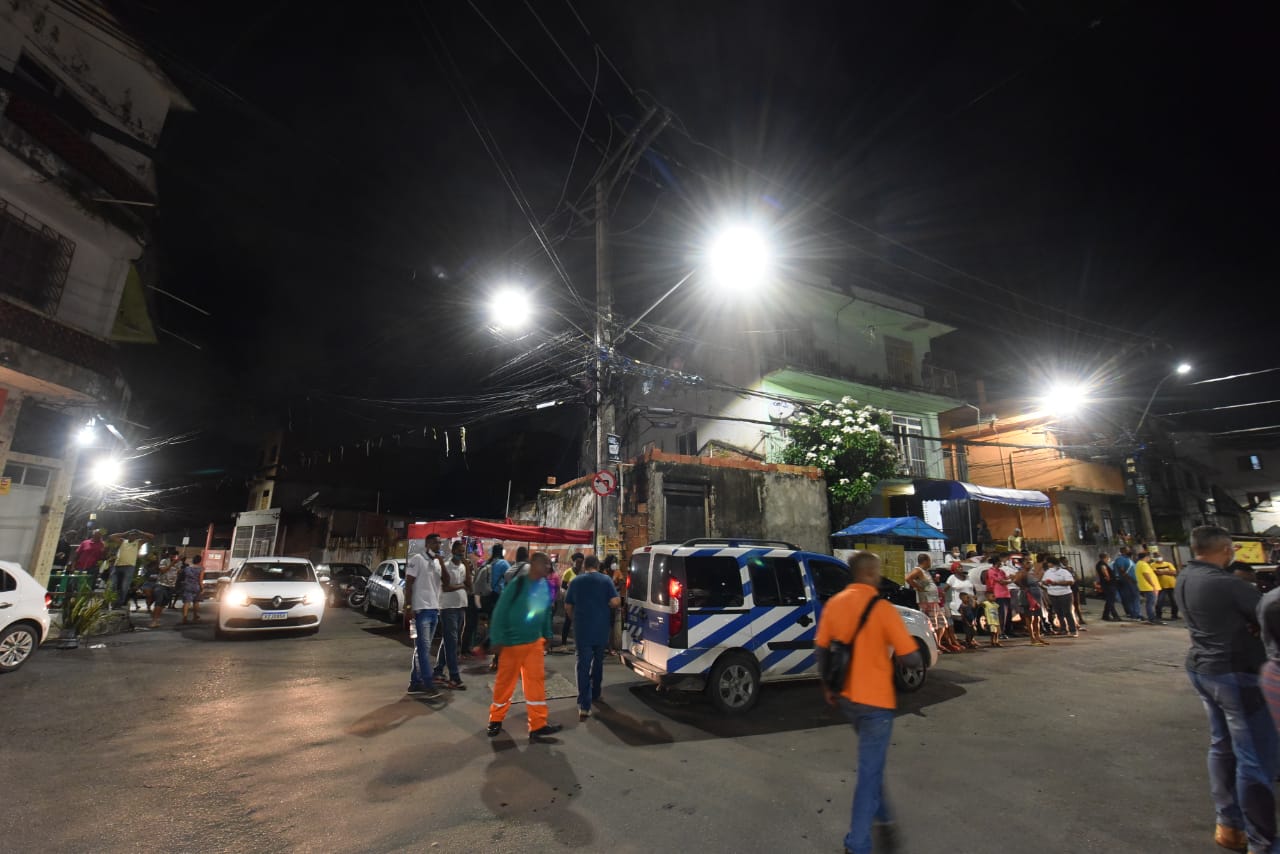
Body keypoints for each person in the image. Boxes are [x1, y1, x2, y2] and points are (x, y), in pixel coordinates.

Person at [1176, 525, 1276, 854]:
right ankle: (1262, 841)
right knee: (1253, 758)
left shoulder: (1186, 576)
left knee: (1222, 746)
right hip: (1233, 673)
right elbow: (1269, 614)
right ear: (1226, 549)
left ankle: (1229, 825)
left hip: (1203, 667)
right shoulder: (1227, 584)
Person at [816, 550, 923, 854]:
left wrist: (828, 686)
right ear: (870, 574)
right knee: (869, 772)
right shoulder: (883, 609)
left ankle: (885, 819)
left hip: (847, 698)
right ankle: (858, 843)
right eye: (877, 572)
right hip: (877, 704)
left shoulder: (834, 604)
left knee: (872, 765)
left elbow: (822, 651)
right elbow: (911, 657)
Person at [487, 552, 561, 743]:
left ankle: (537, 725)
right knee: (505, 683)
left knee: (536, 684)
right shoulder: (517, 585)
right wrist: (496, 638)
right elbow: (500, 612)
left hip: (534, 643)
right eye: (545, 564)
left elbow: (544, 612)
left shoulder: (544, 585)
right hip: (512, 644)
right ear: (534, 565)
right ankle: (495, 719)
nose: (548, 567)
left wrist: (547, 634)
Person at [564, 555, 620, 720]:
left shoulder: (576, 582)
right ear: (597, 565)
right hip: (601, 628)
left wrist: (575, 619)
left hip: (582, 629)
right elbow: (616, 601)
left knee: (583, 664)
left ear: (584, 566)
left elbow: (568, 606)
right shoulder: (606, 580)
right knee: (598, 662)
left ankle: (584, 705)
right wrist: (607, 604)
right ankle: (596, 694)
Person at [404, 534, 446, 700]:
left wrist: (442, 563)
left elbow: (446, 581)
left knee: (422, 648)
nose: (439, 545)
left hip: (434, 609)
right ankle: (428, 683)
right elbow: (408, 583)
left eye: (440, 542)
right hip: (420, 610)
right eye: (436, 542)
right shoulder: (417, 559)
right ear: (428, 543)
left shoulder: (437, 562)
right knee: (423, 648)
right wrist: (408, 606)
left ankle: (415, 683)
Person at [434, 539, 469, 690]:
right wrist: (460, 585)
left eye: (463, 551)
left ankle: (438, 670)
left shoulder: (462, 566)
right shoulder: (446, 566)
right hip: (448, 607)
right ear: (453, 551)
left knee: (449, 640)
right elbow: (445, 587)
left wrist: (467, 568)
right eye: (460, 551)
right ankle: (454, 676)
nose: (462, 554)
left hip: (461, 606)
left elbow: (470, 586)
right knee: (452, 642)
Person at [906, 554, 955, 653]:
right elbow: (908, 578)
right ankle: (933, 647)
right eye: (929, 561)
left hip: (934, 601)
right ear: (925, 561)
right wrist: (918, 588)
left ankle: (938, 643)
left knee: (942, 624)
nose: (930, 563)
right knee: (932, 625)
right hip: (927, 602)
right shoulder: (918, 570)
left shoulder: (926, 572)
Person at [107, 529, 154, 610]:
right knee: (112, 585)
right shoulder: (122, 541)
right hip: (117, 566)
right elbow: (111, 536)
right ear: (128, 535)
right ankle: (111, 602)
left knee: (124, 586)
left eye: (134, 535)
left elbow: (151, 537)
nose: (132, 536)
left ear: (136, 536)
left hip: (129, 567)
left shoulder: (138, 542)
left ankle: (119, 603)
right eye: (131, 534)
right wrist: (123, 533)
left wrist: (141, 532)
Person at [1042, 557, 1078, 638]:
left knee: (1067, 612)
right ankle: (1063, 629)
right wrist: (1046, 583)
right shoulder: (1048, 572)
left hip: (1064, 594)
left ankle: (1073, 629)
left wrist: (1057, 583)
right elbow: (1043, 582)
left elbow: (1071, 581)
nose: (1048, 565)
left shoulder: (1064, 572)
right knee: (1059, 613)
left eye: (1049, 563)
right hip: (1053, 594)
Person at [944, 564, 976, 649]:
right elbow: (945, 589)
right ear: (954, 569)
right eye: (958, 567)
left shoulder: (968, 577)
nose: (960, 568)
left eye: (961, 567)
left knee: (971, 622)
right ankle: (965, 640)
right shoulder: (952, 578)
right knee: (964, 622)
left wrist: (974, 599)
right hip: (958, 603)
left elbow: (972, 588)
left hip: (970, 603)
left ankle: (971, 639)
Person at [984, 556, 1013, 639]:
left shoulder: (1001, 571)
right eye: (1000, 562)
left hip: (1006, 594)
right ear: (997, 562)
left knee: (1007, 614)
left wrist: (1010, 577)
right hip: (998, 594)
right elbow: (1001, 581)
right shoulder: (991, 571)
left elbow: (1005, 578)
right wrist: (1011, 580)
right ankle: (1000, 632)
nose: (1002, 563)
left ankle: (1005, 631)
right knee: (1001, 614)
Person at [560, 552, 584, 646]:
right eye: (578, 562)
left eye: (581, 562)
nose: (579, 564)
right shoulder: (568, 572)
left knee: (580, 622)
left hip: (581, 601)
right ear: (574, 562)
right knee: (568, 621)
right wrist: (570, 589)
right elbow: (562, 586)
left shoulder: (583, 573)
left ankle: (579, 642)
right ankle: (563, 643)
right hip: (570, 601)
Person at [151, 555, 180, 629]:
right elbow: (163, 570)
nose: (175, 558)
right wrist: (172, 563)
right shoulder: (164, 561)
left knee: (163, 604)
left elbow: (178, 572)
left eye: (176, 556)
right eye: (174, 556)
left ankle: (156, 620)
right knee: (158, 602)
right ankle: (154, 621)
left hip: (171, 586)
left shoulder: (179, 563)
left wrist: (177, 565)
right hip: (161, 584)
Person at [1113, 547, 1141, 620]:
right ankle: (1135, 613)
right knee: (1131, 598)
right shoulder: (1121, 559)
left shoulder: (1129, 559)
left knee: (1134, 597)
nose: (1130, 551)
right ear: (1123, 551)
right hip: (1127, 581)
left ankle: (1135, 613)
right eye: (1128, 550)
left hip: (1131, 581)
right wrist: (1130, 579)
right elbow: (1121, 570)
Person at [1135, 551, 1161, 624]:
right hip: (1149, 587)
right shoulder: (1143, 564)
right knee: (1151, 603)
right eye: (1148, 557)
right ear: (1146, 557)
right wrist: (1153, 585)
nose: (1149, 558)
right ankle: (1152, 618)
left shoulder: (1139, 564)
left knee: (1150, 603)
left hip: (1146, 587)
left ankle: (1152, 617)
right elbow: (1146, 575)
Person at [1152, 552, 1179, 620]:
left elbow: (1174, 572)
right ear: (1154, 558)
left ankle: (1174, 615)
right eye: (1157, 556)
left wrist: (1162, 572)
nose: (1159, 557)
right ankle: (1158, 615)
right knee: (1159, 602)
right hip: (1161, 586)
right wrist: (1168, 572)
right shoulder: (1153, 565)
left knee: (1174, 601)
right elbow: (1157, 573)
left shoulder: (1168, 563)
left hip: (1171, 585)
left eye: (1159, 556)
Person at [1095, 552, 1121, 622]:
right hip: (1109, 585)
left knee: (1109, 600)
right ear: (1105, 557)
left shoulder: (1099, 564)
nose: (1108, 559)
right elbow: (1105, 572)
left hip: (1106, 584)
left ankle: (1106, 615)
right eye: (1107, 558)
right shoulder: (1102, 564)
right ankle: (1114, 615)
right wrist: (1108, 577)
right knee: (1110, 601)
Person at [179, 555, 203, 623]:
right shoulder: (201, 569)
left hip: (187, 586)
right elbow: (200, 580)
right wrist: (202, 588)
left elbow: (182, 576)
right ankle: (195, 615)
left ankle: (185, 617)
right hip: (196, 586)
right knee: (196, 601)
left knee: (187, 602)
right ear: (200, 561)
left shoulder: (187, 568)